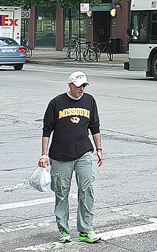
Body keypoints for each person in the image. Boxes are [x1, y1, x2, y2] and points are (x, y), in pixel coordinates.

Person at [40, 71, 103, 244]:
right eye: (78, 86)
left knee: (87, 190)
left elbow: (95, 126)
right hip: (60, 155)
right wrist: (44, 154)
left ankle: (86, 229)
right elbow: (47, 130)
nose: (81, 89)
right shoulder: (56, 103)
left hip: (84, 152)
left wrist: (99, 149)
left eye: (84, 86)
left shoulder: (89, 101)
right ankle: (64, 230)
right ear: (70, 85)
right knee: (62, 194)